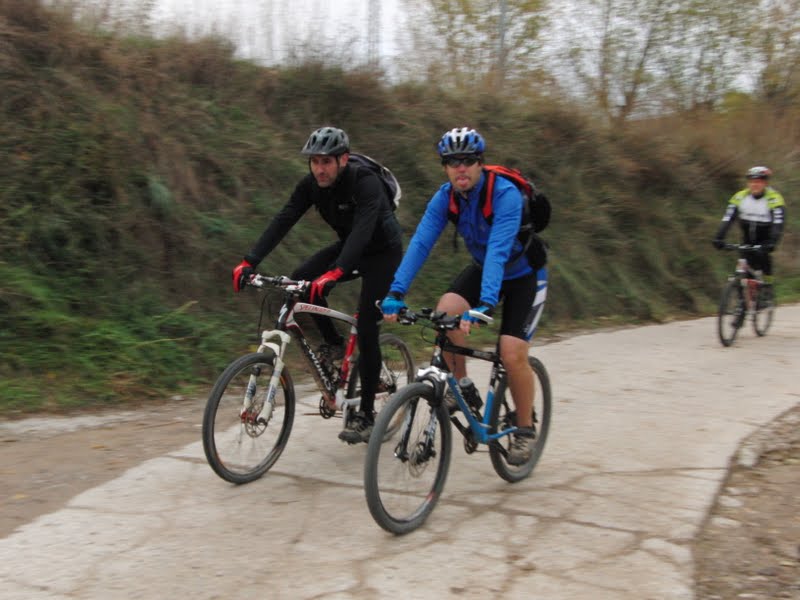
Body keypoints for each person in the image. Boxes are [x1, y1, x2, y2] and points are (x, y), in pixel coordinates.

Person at [380, 127, 548, 466]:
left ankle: (525, 428)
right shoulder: (445, 198)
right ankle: (461, 387)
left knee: (511, 352)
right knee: (446, 312)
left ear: (480, 163)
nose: (461, 168)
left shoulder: (504, 195)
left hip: (525, 275)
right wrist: (396, 291)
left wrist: (485, 305)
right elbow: (421, 243)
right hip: (485, 269)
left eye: (468, 161)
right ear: (444, 167)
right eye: (452, 162)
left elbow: (498, 250)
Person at [232, 126, 403, 443]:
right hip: (349, 247)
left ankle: (366, 416)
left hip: (383, 254)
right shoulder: (311, 185)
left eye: (326, 161)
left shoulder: (364, 183)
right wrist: (249, 261)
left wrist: (336, 272)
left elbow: (363, 230)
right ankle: (335, 343)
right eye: (314, 162)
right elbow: (284, 219)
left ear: (343, 159)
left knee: (367, 327)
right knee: (301, 281)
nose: (320, 169)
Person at [712, 166, 786, 284]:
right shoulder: (740, 197)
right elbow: (728, 219)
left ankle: (768, 285)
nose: (754, 185)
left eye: (758, 182)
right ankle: (741, 292)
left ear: (765, 183)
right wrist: (718, 237)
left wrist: (772, 242)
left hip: (765, 239)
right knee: (745, 274)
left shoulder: (774, 199)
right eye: (751, 181)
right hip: (746, 239)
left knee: (764, 259)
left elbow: (778, 223)